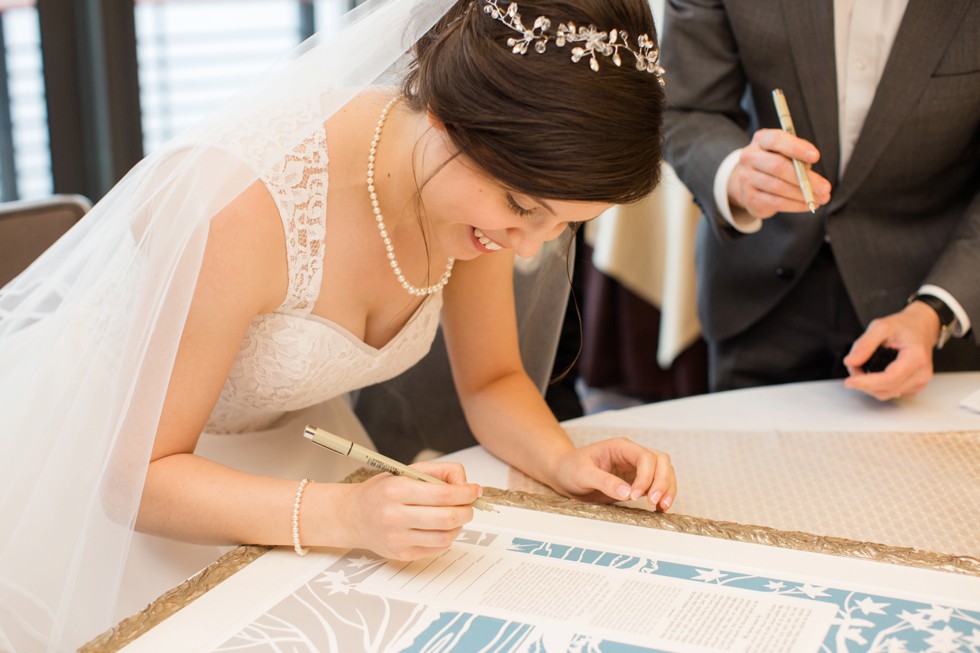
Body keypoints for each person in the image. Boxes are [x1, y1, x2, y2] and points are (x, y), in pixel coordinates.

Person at [0, 0, 675, 649]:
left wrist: (563, 460)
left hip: (296, 461)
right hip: (104, 481)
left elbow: (494, 378)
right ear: (445, 117)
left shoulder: (475, 204)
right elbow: (133, 478)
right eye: (522, 206)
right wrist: (344, 515)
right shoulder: (240, 204)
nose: (532, 246)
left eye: (565, 223)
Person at [661, 0, 980, 401]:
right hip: (761, 293)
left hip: (931, 293)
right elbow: (687, 107)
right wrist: (735, 176)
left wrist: (937, 309)